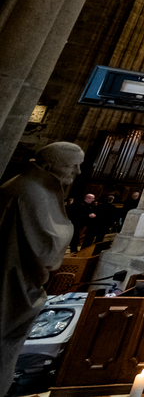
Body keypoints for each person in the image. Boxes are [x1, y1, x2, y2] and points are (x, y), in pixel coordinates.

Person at [0, 142, 84, 394]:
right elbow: (47, 249)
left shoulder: (27, 187)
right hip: (10, 277)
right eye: (73, 165)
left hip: (19, 276)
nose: (78, 172)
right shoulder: (28, 192)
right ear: (50, 164)